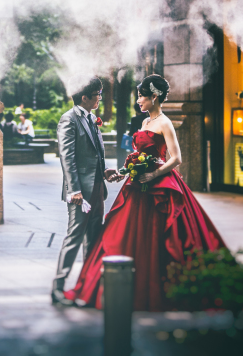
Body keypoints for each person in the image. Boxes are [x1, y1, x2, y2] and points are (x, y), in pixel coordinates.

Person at [64, 74, 226, 311]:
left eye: (141, 96)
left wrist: (153, 175)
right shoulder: (144, 123)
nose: (138, 100)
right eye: (138, 96)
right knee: (120, 233)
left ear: (154, 96)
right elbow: (141, 155)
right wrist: (126, 172)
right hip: (137, 186)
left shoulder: (164, 122)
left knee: (162, 236)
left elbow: (176, 158)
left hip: (159, 185)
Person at [51, 77, 122, 306]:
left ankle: (86, 287)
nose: (100, 97)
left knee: (93, 239)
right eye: (98, 94)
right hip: (80, 193)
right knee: (74, 237)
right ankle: (58, 288)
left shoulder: (92, 119)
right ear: (85, 97)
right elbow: (67, 158)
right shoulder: (68, 119)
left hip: (97, 190)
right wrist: (74, 190)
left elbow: (94, 156)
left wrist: (104, 172)